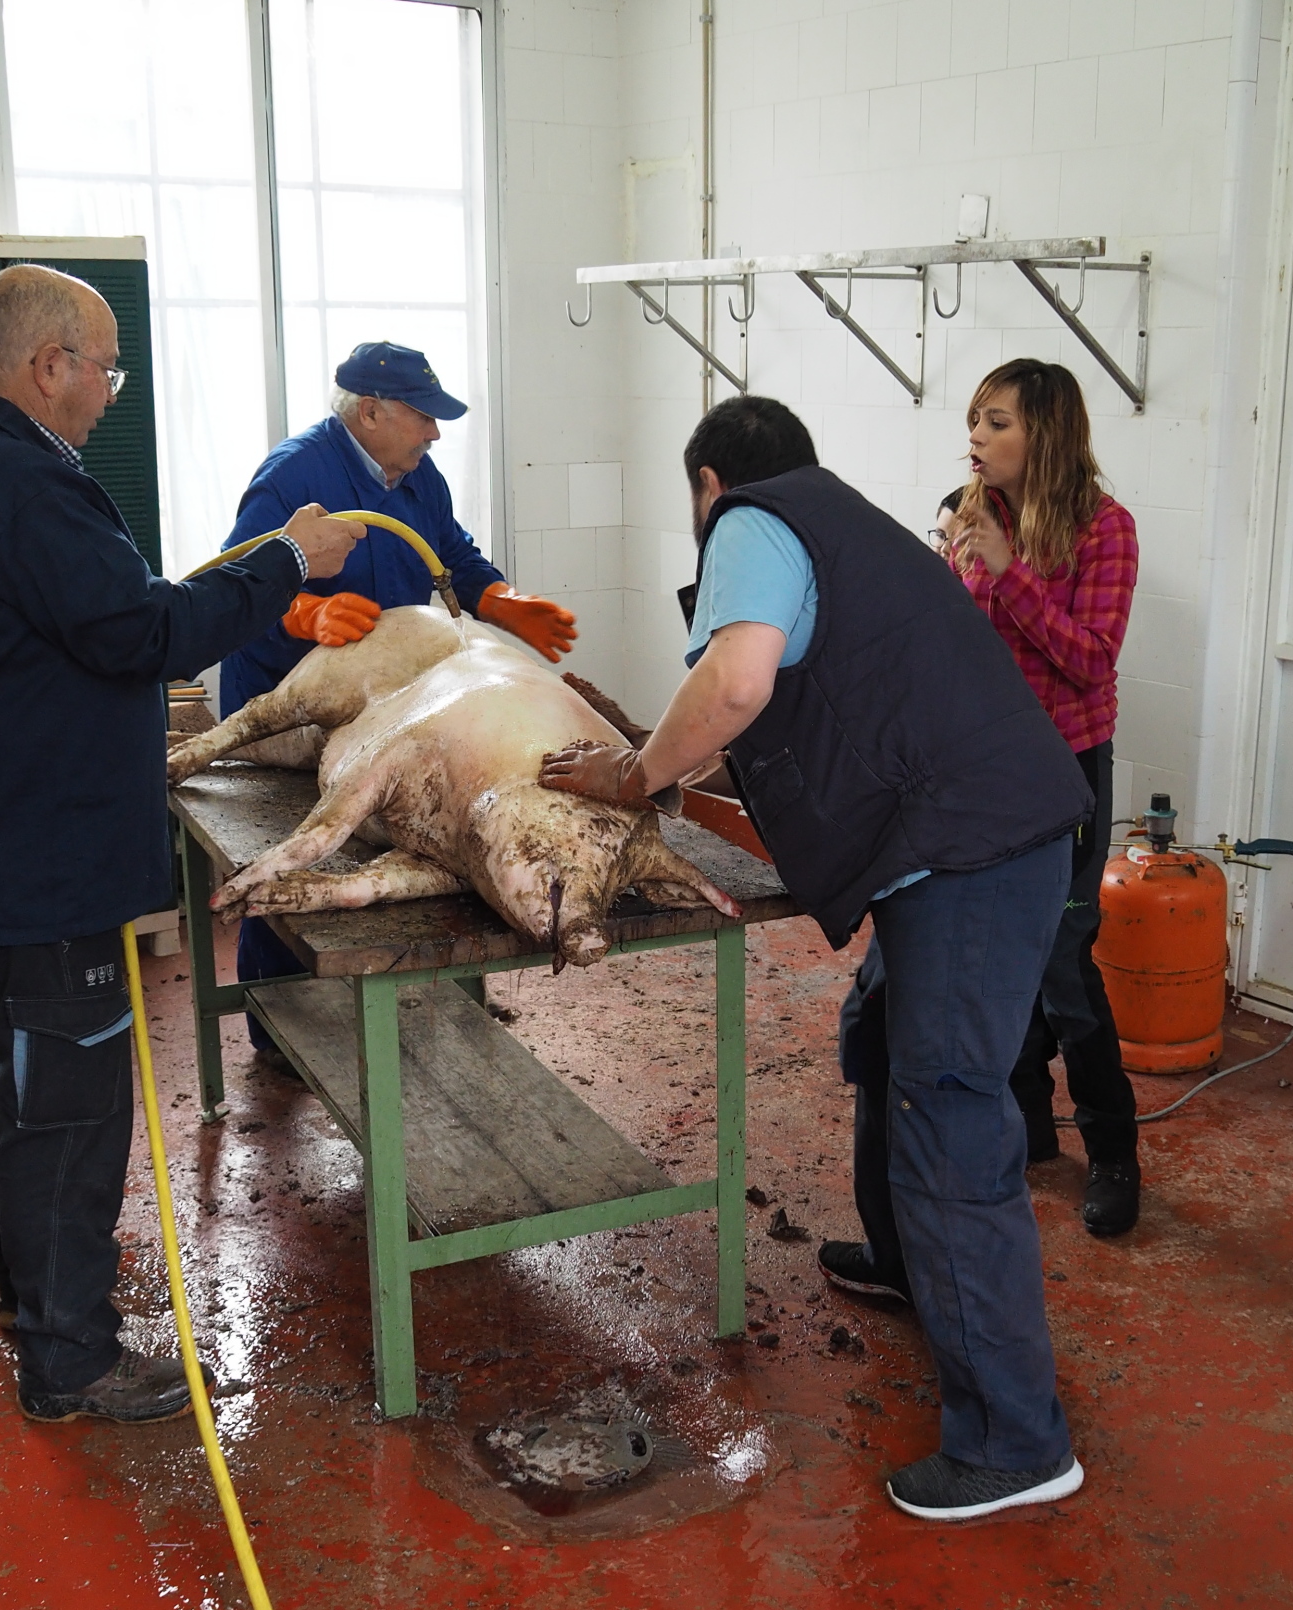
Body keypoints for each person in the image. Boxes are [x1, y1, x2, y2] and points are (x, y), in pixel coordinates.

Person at [540, 395, 1096, 1521]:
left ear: (710, 483)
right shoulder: (840, 520)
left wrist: (635, 777)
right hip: (963, 839)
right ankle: (911, 1264)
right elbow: (784, 711)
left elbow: (738, 684)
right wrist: (666, 765)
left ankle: (1016, 1443)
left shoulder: (750, 518)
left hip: (972, 855)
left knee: (948, 1113)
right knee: (881, 1039)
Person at [0, 264, 364, 1424]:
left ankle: (37, 1295)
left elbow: (90, 617)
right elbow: (143, 632)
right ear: (51, 366)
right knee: (68, 1113)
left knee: (16, 1089)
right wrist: (288, 561)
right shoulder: (22, 482)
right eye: (106, 369)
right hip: (39, 862)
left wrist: (249, 569)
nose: (109, 390)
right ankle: (71, 1360)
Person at [824, 362, 1142, 1312]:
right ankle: (1029, 1122)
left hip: (1063, 770)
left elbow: (1090, 663)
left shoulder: (1104, 529)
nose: (975, 437)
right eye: (974, 420)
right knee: (984, 959)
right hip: (974, 772)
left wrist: (1008, 573)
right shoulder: (968, 512)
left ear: (1045, 436)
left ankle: (1113, 1152)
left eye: (996, 422)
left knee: (1064, 966)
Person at [216, 342, 577, 1069]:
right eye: (423, 417)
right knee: (288, 850)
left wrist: (502, 599)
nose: (435, 433)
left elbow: (453, 557)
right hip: (289, 698)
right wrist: (304, 614)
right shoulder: (295, 475)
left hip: (379, 705)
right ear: (371, 412)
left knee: (410, 842)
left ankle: (417, 1000)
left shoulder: (416, 475)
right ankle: (278, 1024)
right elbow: (236, 579)